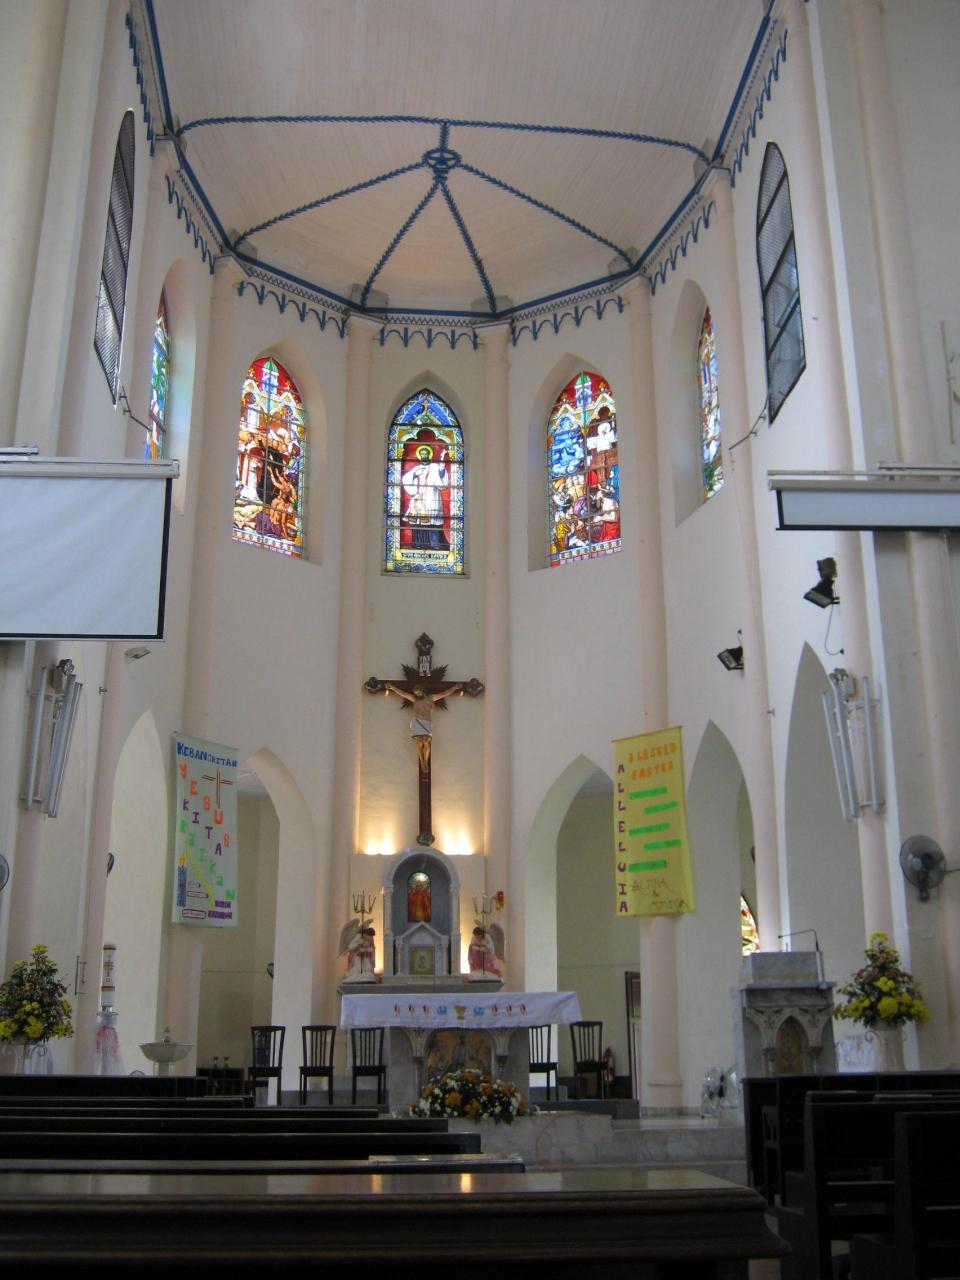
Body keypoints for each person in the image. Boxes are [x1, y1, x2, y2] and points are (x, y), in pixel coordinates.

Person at [383, 681, 463, 770]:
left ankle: (426, 760)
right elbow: (403, 694)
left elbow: (444, 694)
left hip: (427, 722)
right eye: (415, 693)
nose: (417, 694)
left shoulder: (431, 698)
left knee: (426, 742)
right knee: (420, 742)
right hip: (417, 722)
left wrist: (455, 687)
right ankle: (422, 762)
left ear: (422, 691)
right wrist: (392, 687)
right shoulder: (415, 699)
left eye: (418, 692)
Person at [402, 445, 448, 547]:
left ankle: (435, 544)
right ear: (419, 456)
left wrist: (441, 464)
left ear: (429, 455)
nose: (424, 456)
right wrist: (414, 474)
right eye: (422, 454)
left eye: (425, 454)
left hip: (432, 498)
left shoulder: (434, 466)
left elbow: (441, 478)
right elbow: (406, 479)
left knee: (432, 522)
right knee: (418, 522)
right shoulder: (417, 468)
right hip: (419, 498)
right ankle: (419, 544)